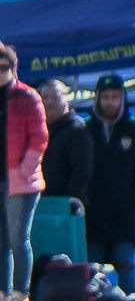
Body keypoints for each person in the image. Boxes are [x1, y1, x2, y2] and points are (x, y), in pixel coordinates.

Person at [86, 73, 135, 294]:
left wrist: (132, 198)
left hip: (124, 215)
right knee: (92, 270)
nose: (110, 102)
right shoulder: (85, 129)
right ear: (97, 98)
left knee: (125, 266)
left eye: (115, 96)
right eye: (105, 96)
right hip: (92, 215)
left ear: (123, 98)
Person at [0, 39, 48, 301]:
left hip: (22, 182)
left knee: (19, 238)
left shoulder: (27, 97)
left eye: (3, 65)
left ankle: (20, 294)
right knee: (0, 242)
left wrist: (23, 171)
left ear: (13, 68)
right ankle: (2, 292)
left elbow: (39, 138)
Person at [38, 78, 93, 214]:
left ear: (66, 99)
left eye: (55, 97)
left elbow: (81, 172)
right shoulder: (39, 131)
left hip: (67, 207)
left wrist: (69, 206)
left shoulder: (77, 129)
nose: (49, 101)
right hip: (43, 205)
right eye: (45, 97)